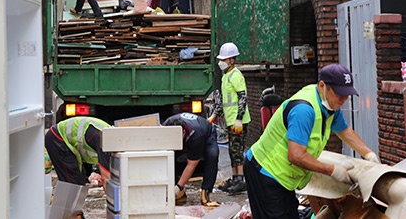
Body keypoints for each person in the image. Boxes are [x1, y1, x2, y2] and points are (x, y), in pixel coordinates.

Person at [243, 64, 381, 219]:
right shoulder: (304, 110)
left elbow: (344, 130)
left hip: (284, 178)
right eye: (340, 94)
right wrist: (332, 170)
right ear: (322, 86)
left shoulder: (330, 106)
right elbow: (296, 155)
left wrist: (368, 153)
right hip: (265, 172)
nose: (344, 99)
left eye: (347, 94)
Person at [208, 42, 251, 194]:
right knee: (233, 150)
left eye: (224, 59)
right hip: (231, 120)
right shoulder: (226, 76)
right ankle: (235, 178)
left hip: (238, 121)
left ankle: (240, 180)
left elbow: (242, 98)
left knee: (237, 150)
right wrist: (214, 115)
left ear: (232, 60)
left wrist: (239, 118)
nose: (221, 62)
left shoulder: (236, 76)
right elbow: (224, 101)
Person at [162, 113, 220, 207]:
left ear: (184, 132)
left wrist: (178, 186)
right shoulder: (166, 126)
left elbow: (191, 165)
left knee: (212, 155)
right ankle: (180, 193)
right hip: (190, 133)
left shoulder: (196, 135)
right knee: (170, 155)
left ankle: (206, 193)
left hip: (206, 134)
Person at [44, 116, 112, 191]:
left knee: (79, 181)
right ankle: (65, 202)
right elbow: (106, 179)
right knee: (72, 183)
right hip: (57, 138)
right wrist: (114, 201)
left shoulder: (112, 139)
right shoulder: (106, 143)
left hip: (66, 140)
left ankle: (70, 201)